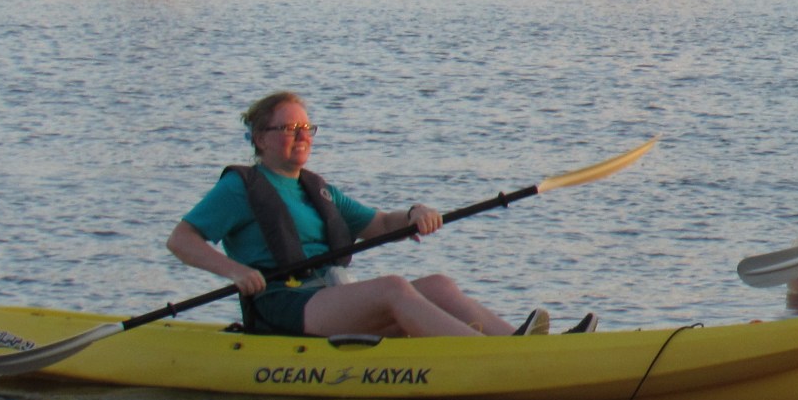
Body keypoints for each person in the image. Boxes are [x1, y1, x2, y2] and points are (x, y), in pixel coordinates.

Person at [168, 91, 557, 338]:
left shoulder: (317, 189)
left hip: (328, 295)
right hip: (282, 306)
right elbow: (181, 239)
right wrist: (234, 272)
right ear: (260, 139)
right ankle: (490, 357)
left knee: (438, 284)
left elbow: (378, 225)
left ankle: (523, 345)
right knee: (391, 288)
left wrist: (412, 214)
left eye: (306, 128)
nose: (302, 136)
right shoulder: (240, 187)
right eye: (289, 128)